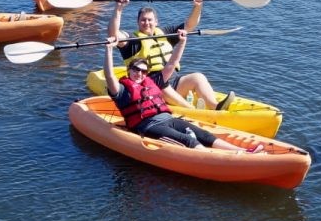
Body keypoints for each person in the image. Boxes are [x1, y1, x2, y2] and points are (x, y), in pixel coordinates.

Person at [104, 26, 258, 152]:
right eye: (136, 70)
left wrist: (182, 41)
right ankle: (220, 159)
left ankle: (242, 152)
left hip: (169, 119)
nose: (139, 73)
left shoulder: (152, 81)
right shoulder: (122, 89)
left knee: (203, 134)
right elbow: (110, 75)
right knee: (187, 139)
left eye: (143, 71)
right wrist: (109, 50)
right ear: (129, 70)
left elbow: (171, 64)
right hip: (149, 126)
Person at [108, 0, 235, 110]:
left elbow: (189, 26)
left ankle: (216, 107)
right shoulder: (132, 40)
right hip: (150, 87)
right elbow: (113, 34)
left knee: (198, 77)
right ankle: (193, 110)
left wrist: (197, 6)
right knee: (163, 86)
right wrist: (118, 9)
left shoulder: (165, 33)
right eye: (143, 20)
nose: (146, 23)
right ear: (138, 22)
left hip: (173, 81)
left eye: (150, 20)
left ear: (156, 22)